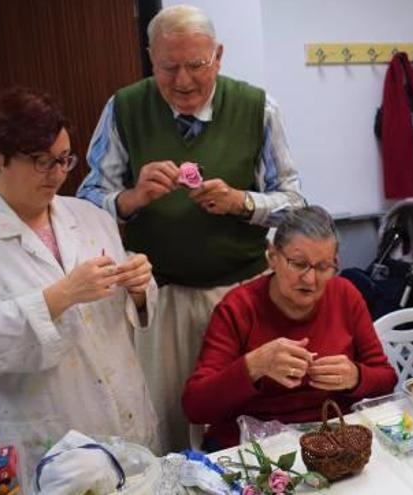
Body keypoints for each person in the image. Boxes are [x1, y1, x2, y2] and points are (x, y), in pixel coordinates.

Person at [77, 5, 305, 451]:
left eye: (196, 66)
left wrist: (242, 202)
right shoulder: (123, 108)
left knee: (244, 415)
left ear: (218, 56)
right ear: (150, 58)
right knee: (167, 417)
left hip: (243, 294)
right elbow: (84, 202)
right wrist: (131, 199)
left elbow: (296, 203)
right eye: (168, 67)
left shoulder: (258, 108)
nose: (183, 81)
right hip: (159, 300)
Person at [0, 87, 159, 485]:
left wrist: (137, 286)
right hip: (41, 433)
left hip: (122, 417)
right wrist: (58, 297)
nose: (58, 173)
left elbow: (123, 314)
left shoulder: (90, 217)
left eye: (64, 159)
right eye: (41, 161)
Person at [182, 206, 397, 450]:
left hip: (332, 443)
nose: (310, 279)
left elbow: (387, 379)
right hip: (257, 448)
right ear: (273, 257)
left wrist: (356, 377)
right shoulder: (238, 308)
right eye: (298, 264)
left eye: (323, 267)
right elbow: (195, 406)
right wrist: (255, 365)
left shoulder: (345, 295)